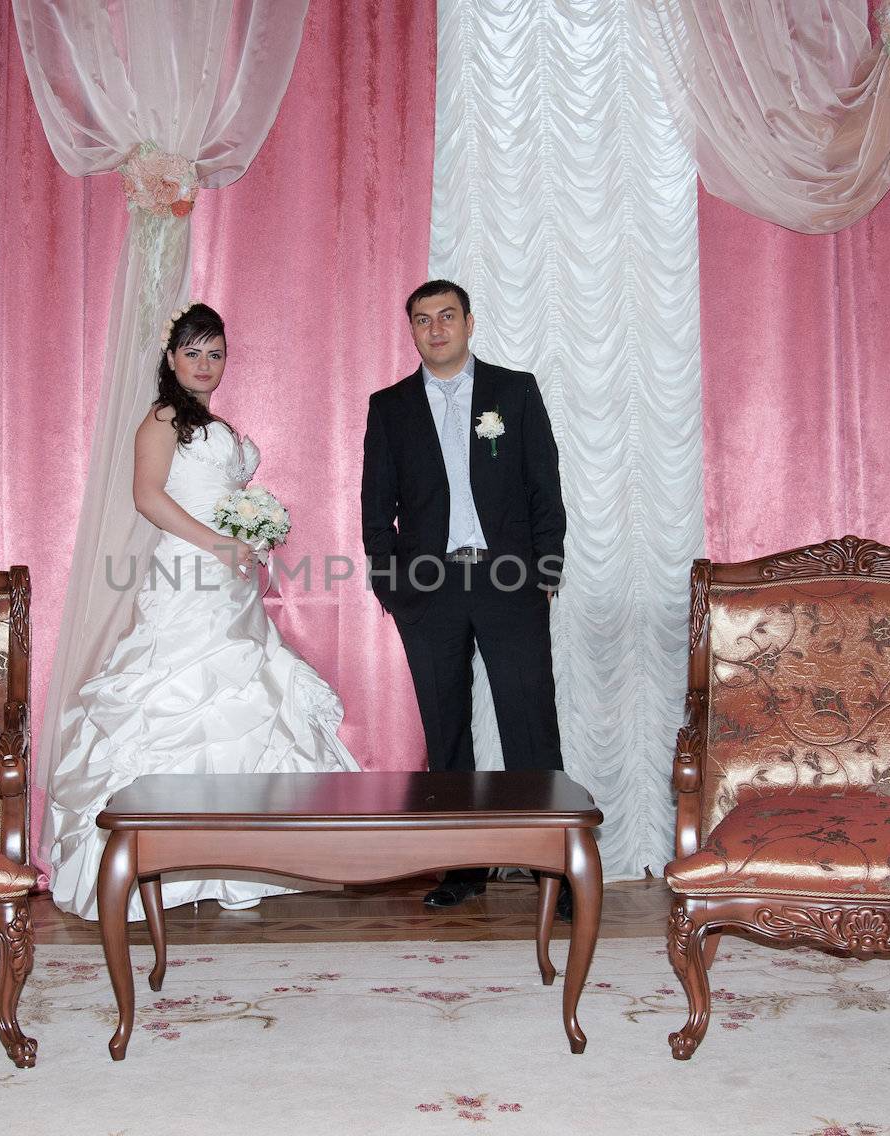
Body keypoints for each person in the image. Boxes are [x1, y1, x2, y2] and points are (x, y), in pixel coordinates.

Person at [44, 302, 359, 921]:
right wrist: (221, 542)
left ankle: (243, 864)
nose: (205, 364)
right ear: (170, 358)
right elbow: (146, 497)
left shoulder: (213, 424)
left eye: (215, 353)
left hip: (231, 584)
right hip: (187, 577)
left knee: (244, 700)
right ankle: (175, 866)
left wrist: (252, 533)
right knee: (185, 701)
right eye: (193, 352)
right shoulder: (163, 419)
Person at [360, 279, 568, 912]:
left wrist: (545, 575)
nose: (436, 329)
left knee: (530, 728)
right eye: (422, 320)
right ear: (413, 332)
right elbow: (376, 507)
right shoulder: (389, 406)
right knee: (446, 734)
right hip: (430, 589)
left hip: (509, 584)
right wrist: (393, 587)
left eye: (447, 316)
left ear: (470, 323)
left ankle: (554, 872)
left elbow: (544, 486)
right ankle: (463, 867)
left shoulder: (515, 390)